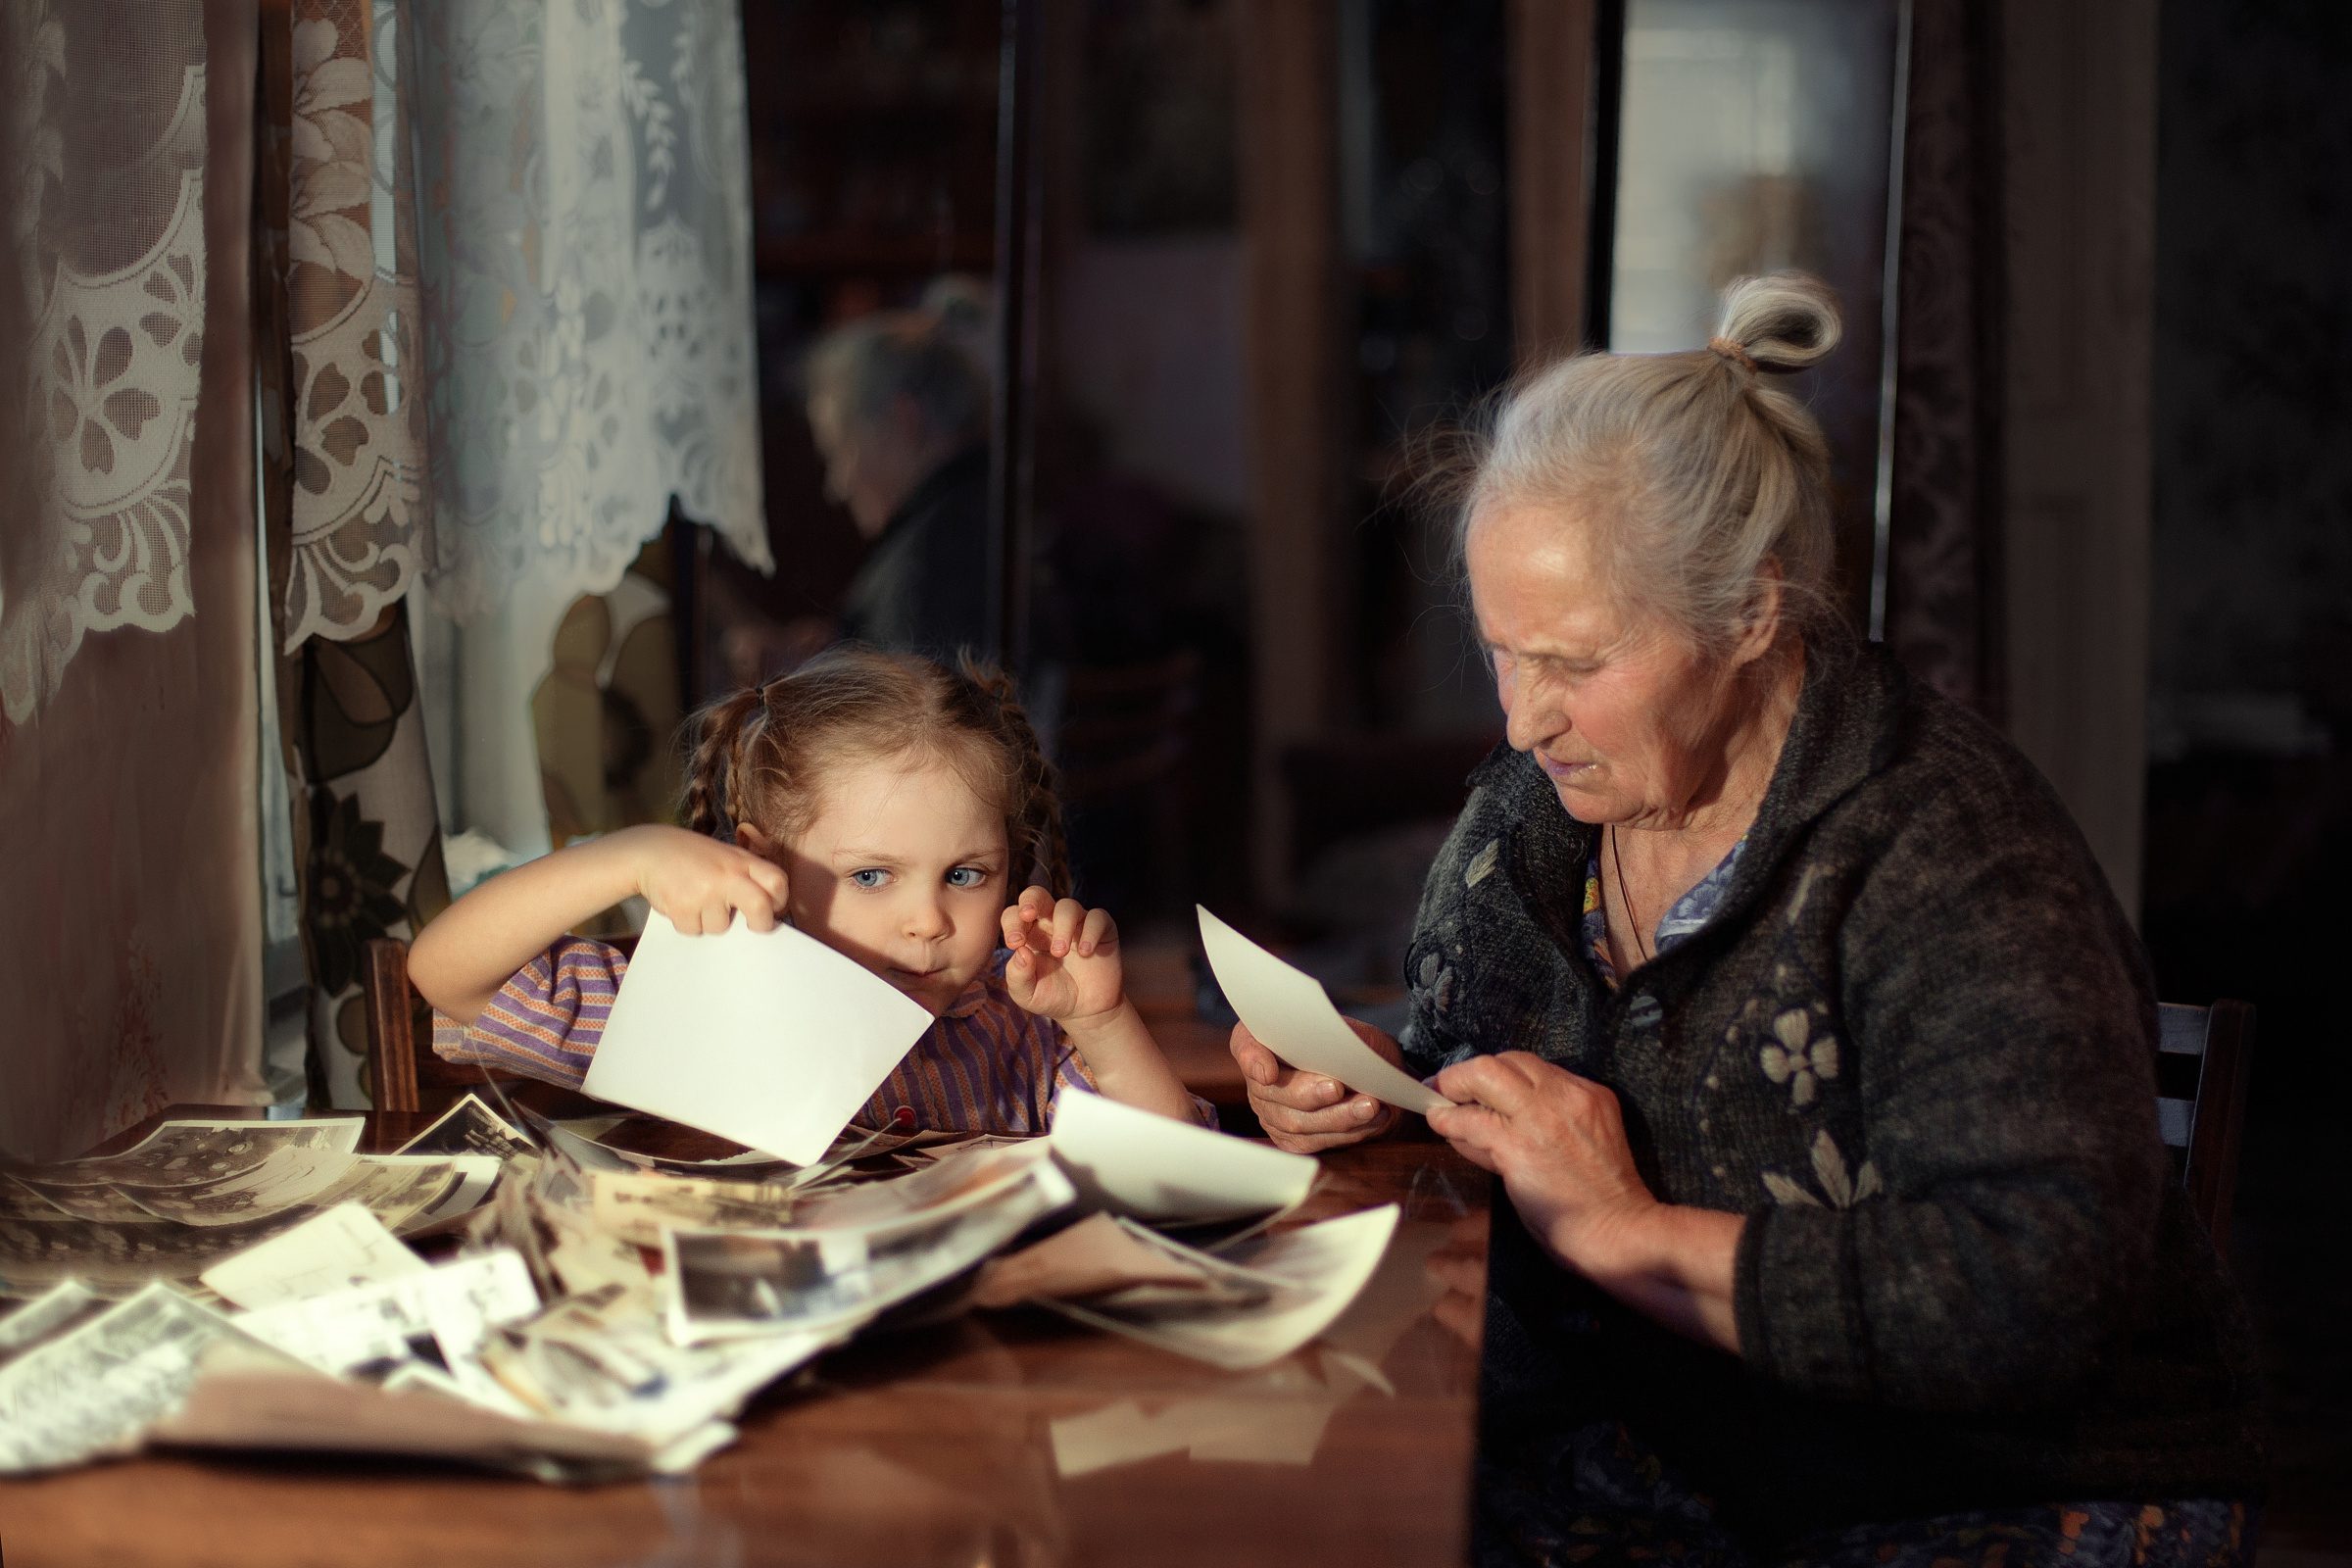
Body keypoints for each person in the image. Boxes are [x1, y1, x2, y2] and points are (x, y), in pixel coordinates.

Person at [1230, 273, 2265, 1565]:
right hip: (1654, 1460)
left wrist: (1627, 1229)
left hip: (1972, 1492)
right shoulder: (1530, 818)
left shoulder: (1947, 855)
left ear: (1751, 613)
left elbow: (2036, 1298)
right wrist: (1379, 1085)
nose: (1521, 717)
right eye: (1504, 649)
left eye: (1578, 661)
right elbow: (1469, 1052)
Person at [410, 647, 1211, 1133]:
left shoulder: (1011, 1023)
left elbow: (1181, 1178)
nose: (930, 920)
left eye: (966, 875)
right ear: (771, 869)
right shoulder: (690, 998)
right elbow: (444, 975)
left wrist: (1101, 1022)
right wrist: (628, 856)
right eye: (871, 876)